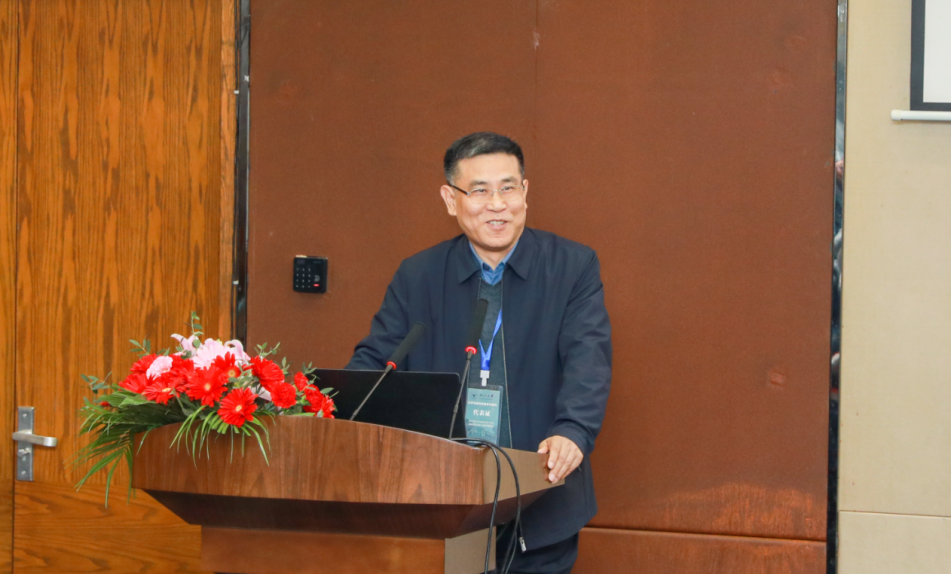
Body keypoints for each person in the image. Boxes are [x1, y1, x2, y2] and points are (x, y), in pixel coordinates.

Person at [346, 132, 612, 574]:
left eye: (508, 188)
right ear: (451, 200)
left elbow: (589, 360)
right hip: (442, 500)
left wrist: (573, 430)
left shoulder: (572, 266)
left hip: (539, 494)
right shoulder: (418, 275)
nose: (497, 204)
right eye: (481, 191)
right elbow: (376, 362)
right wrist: (333, 409)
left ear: (525, 192)